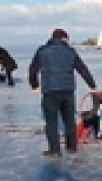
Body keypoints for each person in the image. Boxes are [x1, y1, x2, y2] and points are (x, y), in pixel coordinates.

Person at [29, 29, 97, 158]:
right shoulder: (70, 51)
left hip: (49, 91)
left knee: (51, 121)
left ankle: (54, 150)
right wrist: (92, 85)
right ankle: (71, 147)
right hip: (68, 91)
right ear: (64, 38)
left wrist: (34, 85)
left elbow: (33, 70)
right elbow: (82, 69)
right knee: (69, 120)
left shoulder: (42, 51)